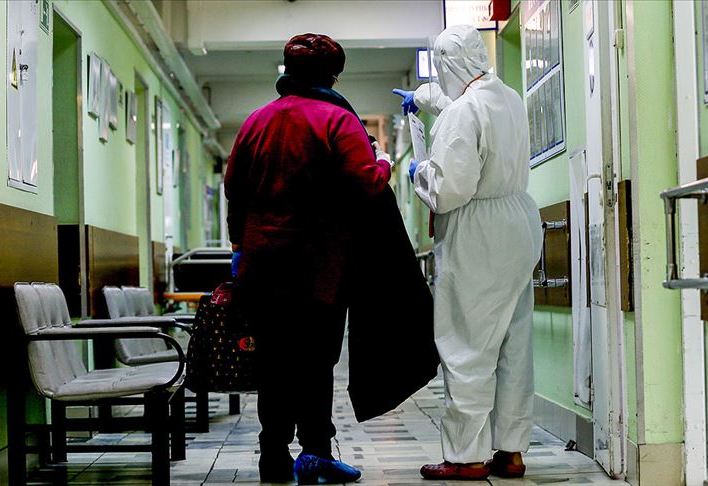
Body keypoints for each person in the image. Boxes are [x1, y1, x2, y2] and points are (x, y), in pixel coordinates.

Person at [224, 33, 394, 484]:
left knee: (273, 362)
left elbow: (234, 189)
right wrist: (384, 162)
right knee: (315, 362)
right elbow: (366, 183)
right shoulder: (337, 120)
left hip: (261, 266)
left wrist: (239, 247)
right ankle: (315, 454)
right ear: (333, 76)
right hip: (319, 268)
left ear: (288, 71)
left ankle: (273, 456)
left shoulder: (256, 121)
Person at [394, 25, 542, 480]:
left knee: (467, 342)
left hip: (478, 232)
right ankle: (511, 451)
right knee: (513, 343)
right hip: (518, 224)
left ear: (447, 65)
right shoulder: (507, 97)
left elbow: (449, 191)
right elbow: (459, 103)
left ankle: (465, 456)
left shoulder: (462, 112)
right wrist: (421, 97)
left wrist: (419, 172)